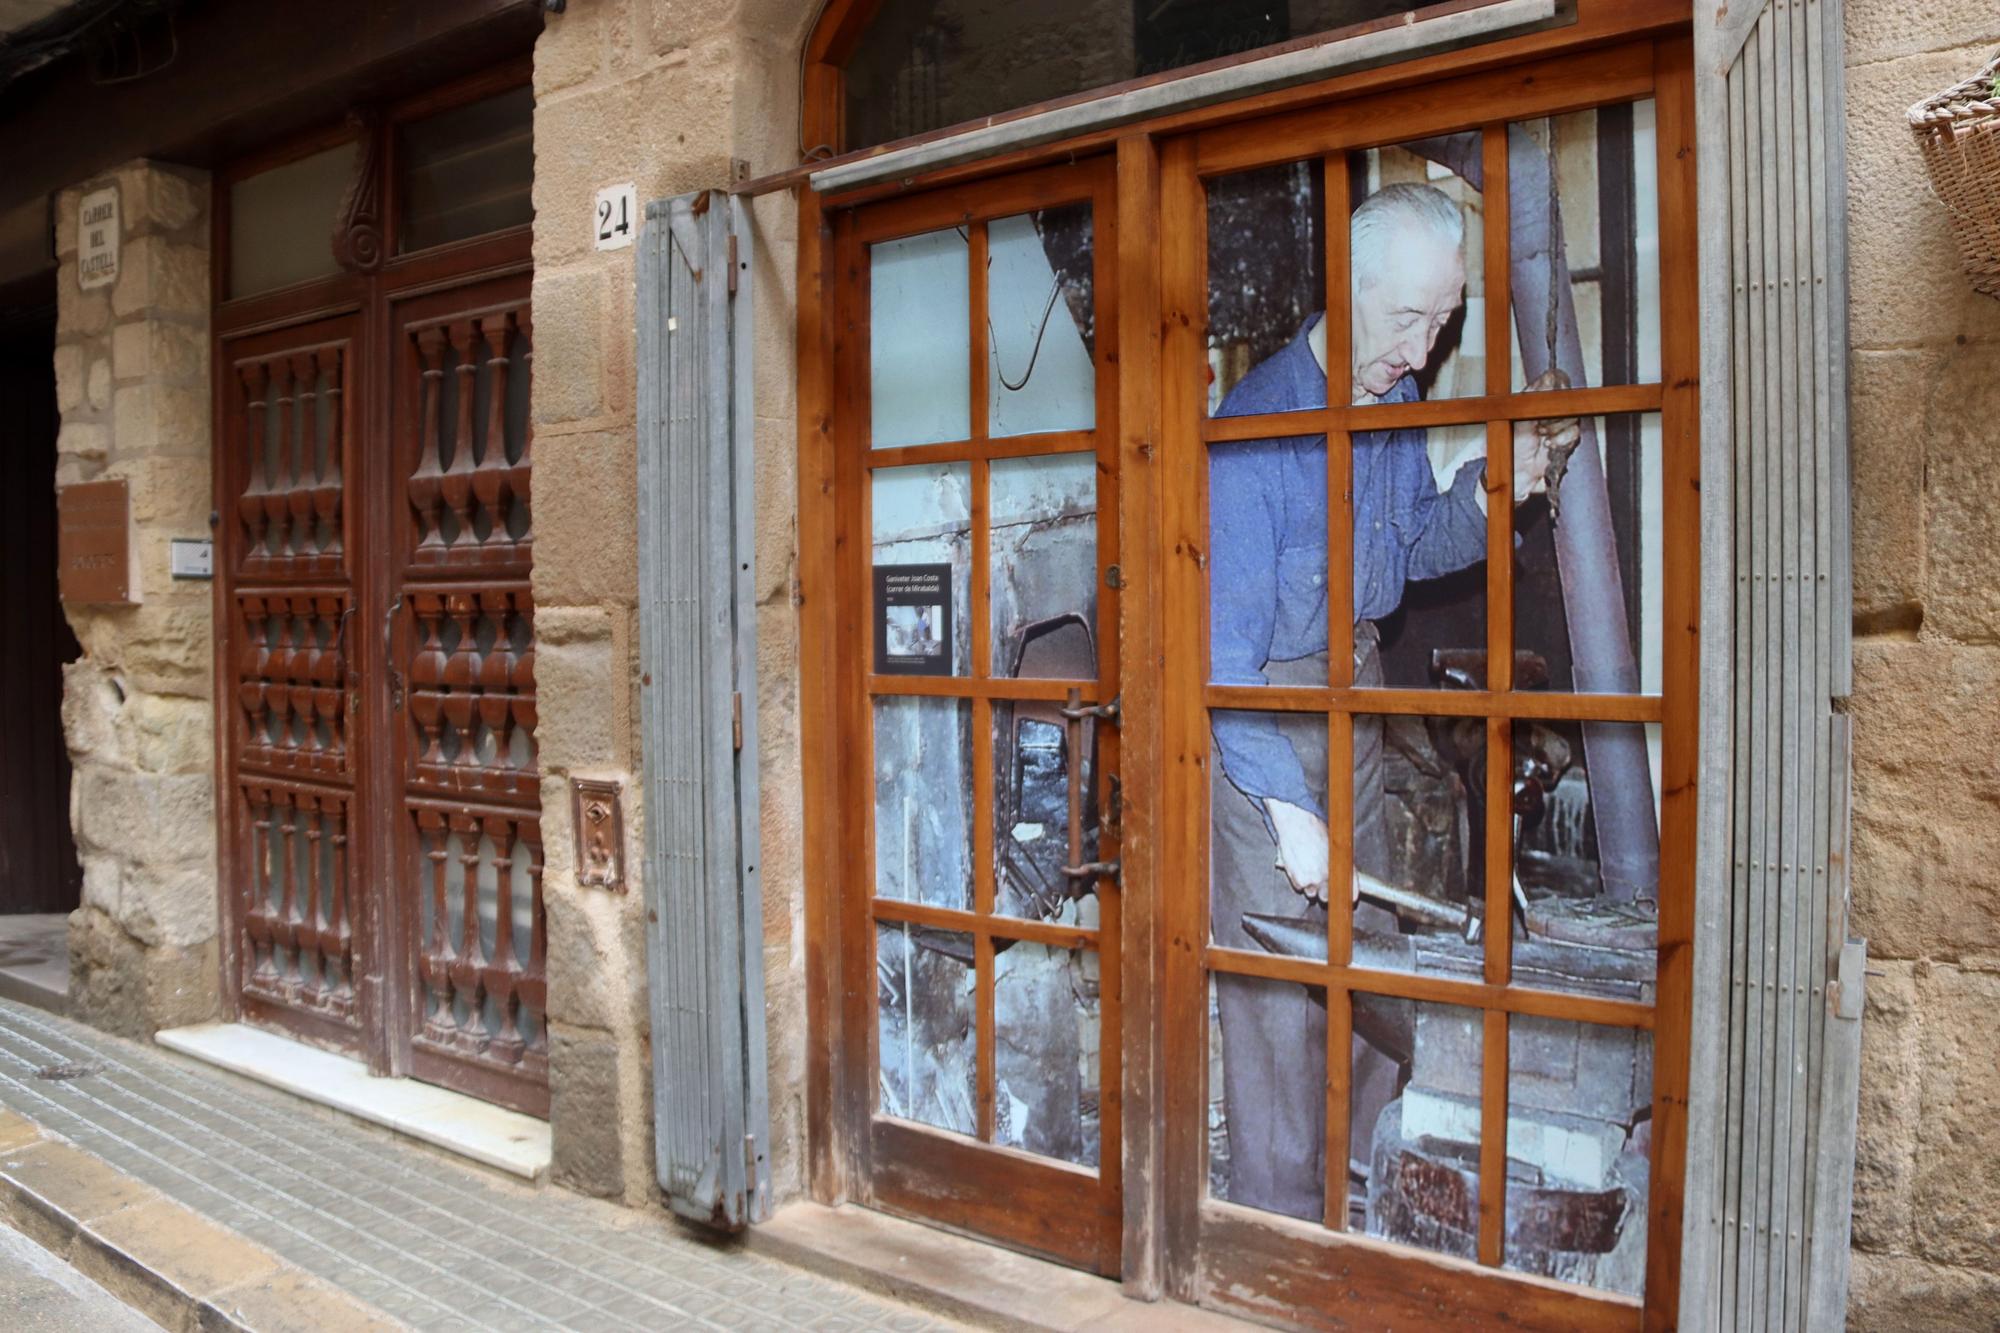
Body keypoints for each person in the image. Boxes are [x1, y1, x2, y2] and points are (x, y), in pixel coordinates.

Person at [1207, 181, 1576, 1221]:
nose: (1421, 350)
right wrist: (1286, 813)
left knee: (1365, 962)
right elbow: (1222, 659)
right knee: (1277, 998)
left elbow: (1411, 544)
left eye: (1442, 322)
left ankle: (1357, 1191)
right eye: (1406, 318)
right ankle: (1274, 1233)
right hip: (1261, 724)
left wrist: (1499, 485)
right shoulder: (1252, 431)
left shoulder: (1390, 406)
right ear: (1344, 288)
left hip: (1354, 700)